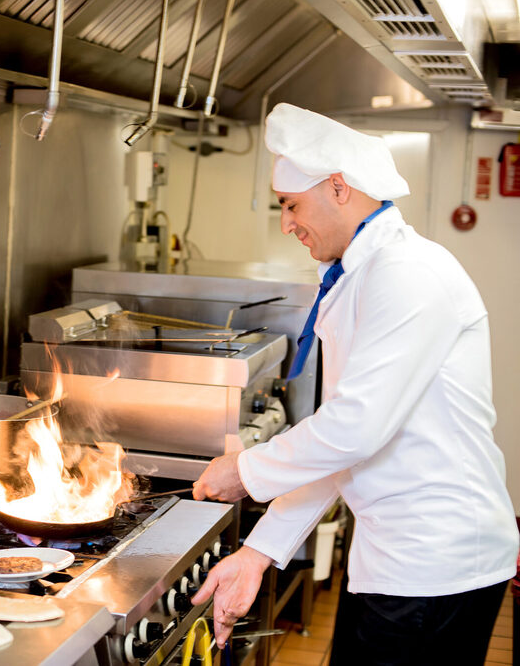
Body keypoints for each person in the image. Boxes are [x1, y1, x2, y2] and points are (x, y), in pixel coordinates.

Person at [190, 103, 519, 665]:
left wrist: (244, 470)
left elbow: (353, 431)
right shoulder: (363, 274)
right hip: (396, 559)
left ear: (338, 188)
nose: (287, 224)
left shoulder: (407, 273)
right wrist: (259, 551)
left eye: (291, 205)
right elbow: (342, 444)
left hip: (434, 565)